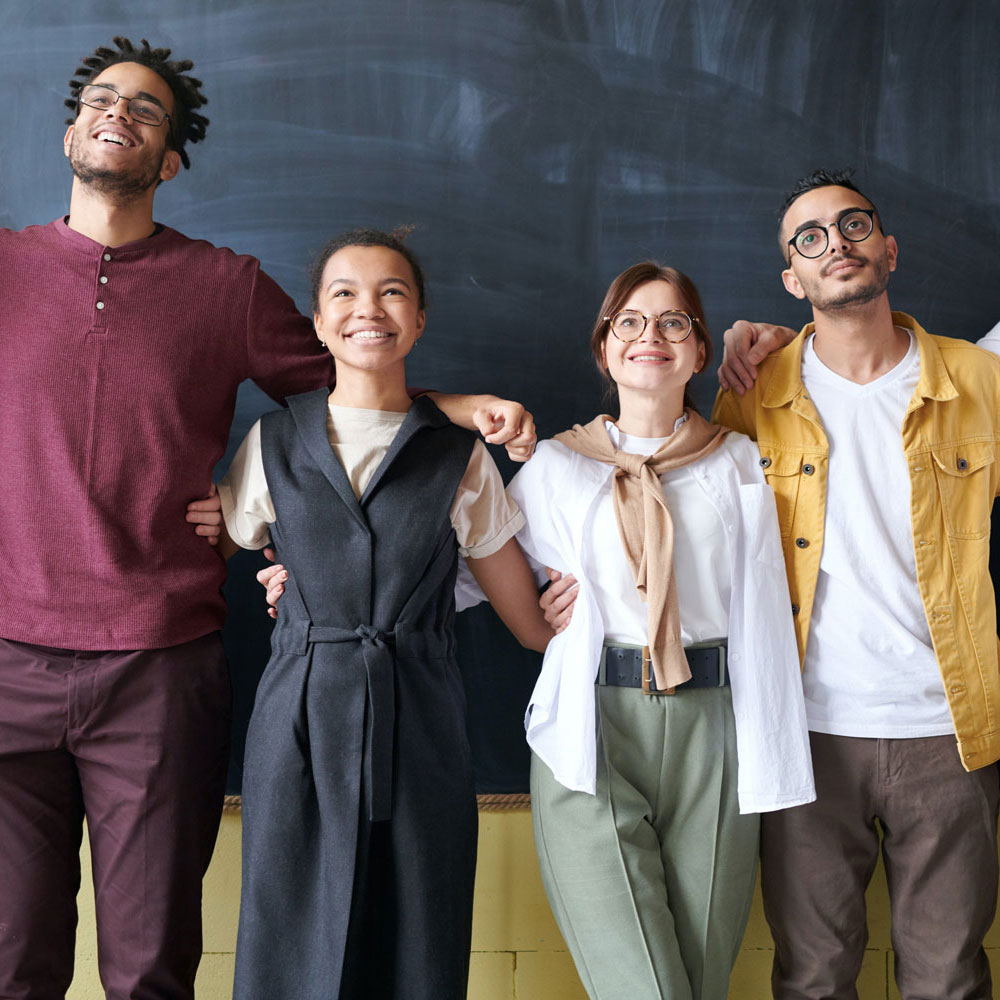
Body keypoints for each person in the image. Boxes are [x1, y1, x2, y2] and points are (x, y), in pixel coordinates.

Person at [0, 38, 534, 1000]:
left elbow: (353, 384)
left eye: (148, 108)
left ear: (170, 159)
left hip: (159, 665)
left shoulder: (225, 286)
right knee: (11, 958)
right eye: (103, 96)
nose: (118, 110)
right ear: (72, 125)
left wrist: (459, 412)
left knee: (150, 964)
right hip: (5, 658)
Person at [215, 228, 554, 1000]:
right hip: (298, 714)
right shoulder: (271, 443)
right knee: (290, 925)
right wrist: (293, 593)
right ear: (317, 322)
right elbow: (217, 540)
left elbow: (525, 621)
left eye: (392, 291)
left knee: (417, 930)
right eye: (345, 293)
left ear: (422, 319)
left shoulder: (459, 455)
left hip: (421, 714)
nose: (369, 309)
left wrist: (572, 612)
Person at [712, 169, 1000, 999]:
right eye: (810, 237)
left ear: (889, 248)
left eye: (853, 224)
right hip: (805, 730)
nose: (836, 243)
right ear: (791, 279)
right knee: (812, 978)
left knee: (949, 978)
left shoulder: (976, 382)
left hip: (950, 730)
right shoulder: (753, 393)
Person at [494, 262, 814, 999]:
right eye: (629, 323)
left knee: (700, 979)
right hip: (594, 722)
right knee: (644, 987)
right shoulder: (555, 466)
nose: (651, 337)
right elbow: (460, 568)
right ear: (604, 348)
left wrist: (774, 340)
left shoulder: (741, 459)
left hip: (717, 726)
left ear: (702, 351)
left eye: (674, 323)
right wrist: (297, 573)